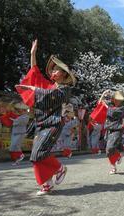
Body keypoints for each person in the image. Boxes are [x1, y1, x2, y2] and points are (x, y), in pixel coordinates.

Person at [15, 39, 78, 196]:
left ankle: (59, 168)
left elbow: (51, 95)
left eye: (57, 70)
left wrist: (33, 89)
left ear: (64, 74)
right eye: (53, 70)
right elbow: (34, 73)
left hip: (54, 124)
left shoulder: (64, 90)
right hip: (41, 123)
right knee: (35, 156)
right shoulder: (48, 85)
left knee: (39, 153)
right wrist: (33, 54)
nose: (53, 72)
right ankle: (46, 184)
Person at [102, 90, 124, 175]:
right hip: (109, 129)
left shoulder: (123, 109)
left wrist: (105, 106)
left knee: (110, 148)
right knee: (109, 150)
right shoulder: (110, 106)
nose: (118, 101)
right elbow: (100, 104)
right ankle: (113, 165)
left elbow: (112, 113)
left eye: (120, 99)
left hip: (117, 129)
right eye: (116, 99)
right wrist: (103, 95)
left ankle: (117, 157)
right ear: (113, 99)